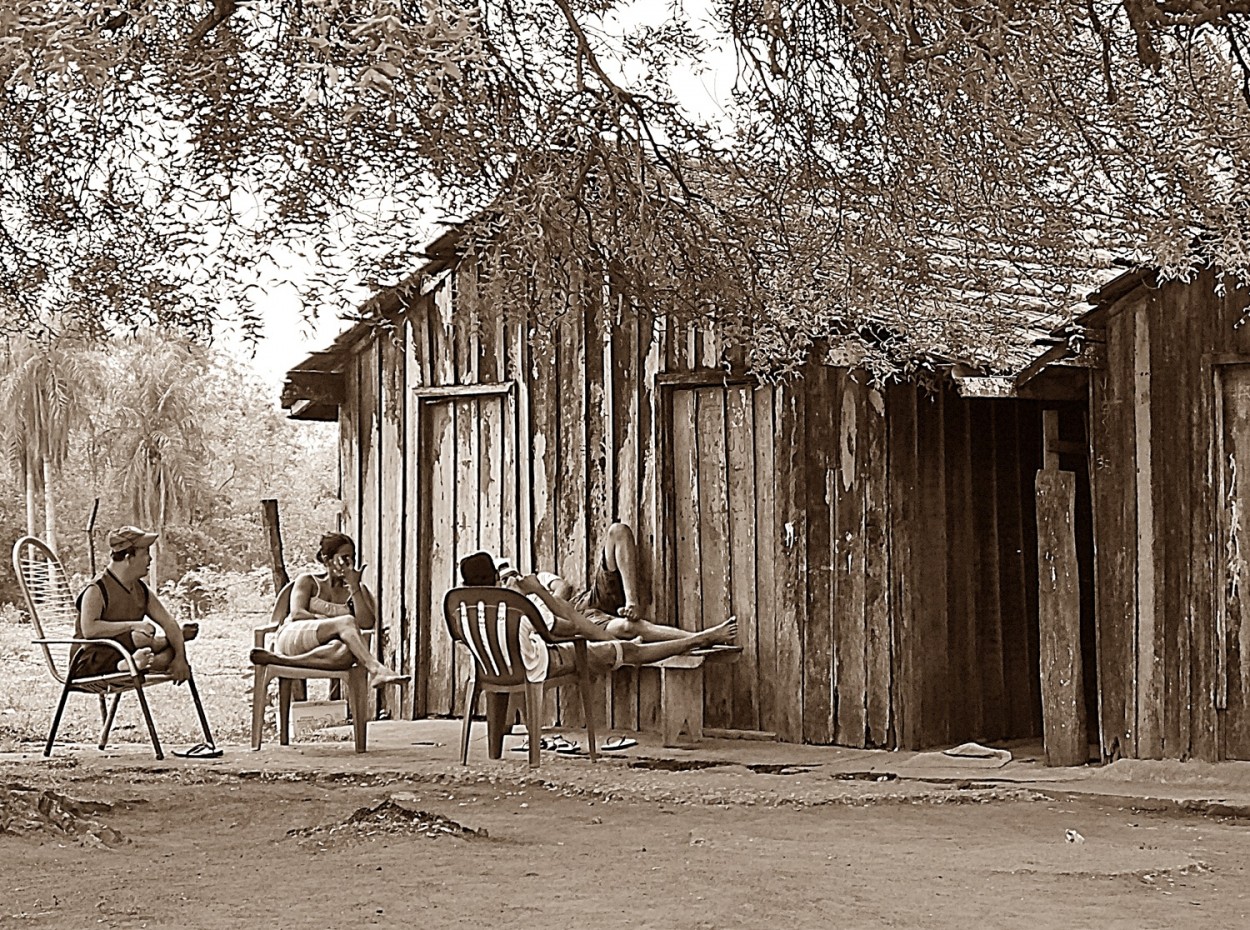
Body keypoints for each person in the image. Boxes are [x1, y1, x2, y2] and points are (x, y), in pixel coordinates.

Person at [458, 550, 736, 680]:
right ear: (497, 577)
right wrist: (538, 592)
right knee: (627, 650)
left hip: (493, 673)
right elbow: (579, 627)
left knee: (624, 635)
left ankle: (697, 639)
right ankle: (697, 640)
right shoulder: (516, 604)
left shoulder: (464, 610)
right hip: (537, 664)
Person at [249, 532, 406, 690]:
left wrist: (354, 587)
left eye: (352, 558)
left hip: (326, 646)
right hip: (294, 636)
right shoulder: (308, 581)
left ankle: (281, 661)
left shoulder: (356, 590)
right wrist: (335, 626)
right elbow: (297, 614)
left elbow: (366, 624)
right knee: (347, 622)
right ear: (327, 559)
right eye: (344, 558)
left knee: (346, 655)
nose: (349, 564)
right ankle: (376, 669)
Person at [539, 522, 721, 643]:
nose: (510, 580)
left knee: (618, 531)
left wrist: (545, 599)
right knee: (628, 628)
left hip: (585, 601)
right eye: (508, 579)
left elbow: (563, 587)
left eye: (510, 576)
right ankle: (698, 638)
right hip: (579, 623)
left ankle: (631, 603)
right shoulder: (514, 613)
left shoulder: (532, 581)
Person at [73, 526, 193, 681]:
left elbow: (169, 622)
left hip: (128, 653)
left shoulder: (141, 589)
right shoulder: (97, 589)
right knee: (139, 638)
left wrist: (180, 658)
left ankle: (135, 662)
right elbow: (89, 630)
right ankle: (135, 660)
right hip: (90, 661)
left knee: (165, 652)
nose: (150, 559)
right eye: (145, 554)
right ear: (128, 558)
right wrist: (132, 625)